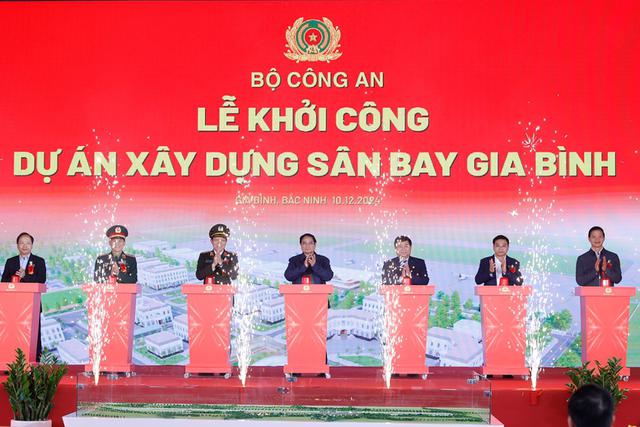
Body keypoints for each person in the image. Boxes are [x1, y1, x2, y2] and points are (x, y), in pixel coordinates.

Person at [2, 232, 46, 361]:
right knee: (13, 333)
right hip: (14, 307)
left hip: (32, 305)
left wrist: (24, 276)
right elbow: (4, 281)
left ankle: (35, 362)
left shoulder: (39, 261)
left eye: (28, 243)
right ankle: (12, 362)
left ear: (32, 245)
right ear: (17, 245)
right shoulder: (11, 262)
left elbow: (41, 280)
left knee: (34, 335)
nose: (24, 245)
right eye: (22, 242)